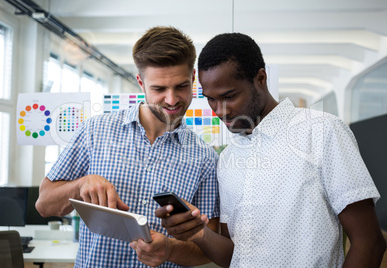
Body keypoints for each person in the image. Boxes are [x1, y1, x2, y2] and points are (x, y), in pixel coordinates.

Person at [156, 32, 386, 267]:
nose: (220, 110)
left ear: (261, 78)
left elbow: (369, 243)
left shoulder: (321, 131)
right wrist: (199, 233)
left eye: (229, 96)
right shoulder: (227, 159)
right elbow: (235, 257)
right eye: (210, 99)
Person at [36, 26, 220, 268]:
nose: (172, 99)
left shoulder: (205, 158)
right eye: (159, 89)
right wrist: (81, 185)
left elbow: (210, 248)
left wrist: (171, 249)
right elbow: (44, 204)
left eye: (181, 86)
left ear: (193, 78)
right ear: (140, 82)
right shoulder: (95, 131)